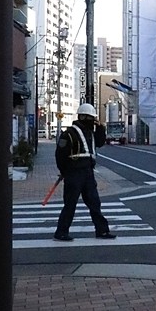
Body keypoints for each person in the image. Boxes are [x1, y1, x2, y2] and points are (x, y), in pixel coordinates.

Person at [52, 103, 116, 241]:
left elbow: (99, 143)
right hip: (73, 173)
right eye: (91, 118)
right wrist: (65, 171)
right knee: (70, 204)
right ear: (82, 117)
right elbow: (60, 155)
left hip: (88, 172)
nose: (93, 121)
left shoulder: (90, 133)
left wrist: (100, 128)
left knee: (94, 202)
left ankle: (102, 231)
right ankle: (61, 232)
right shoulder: (69, 133)